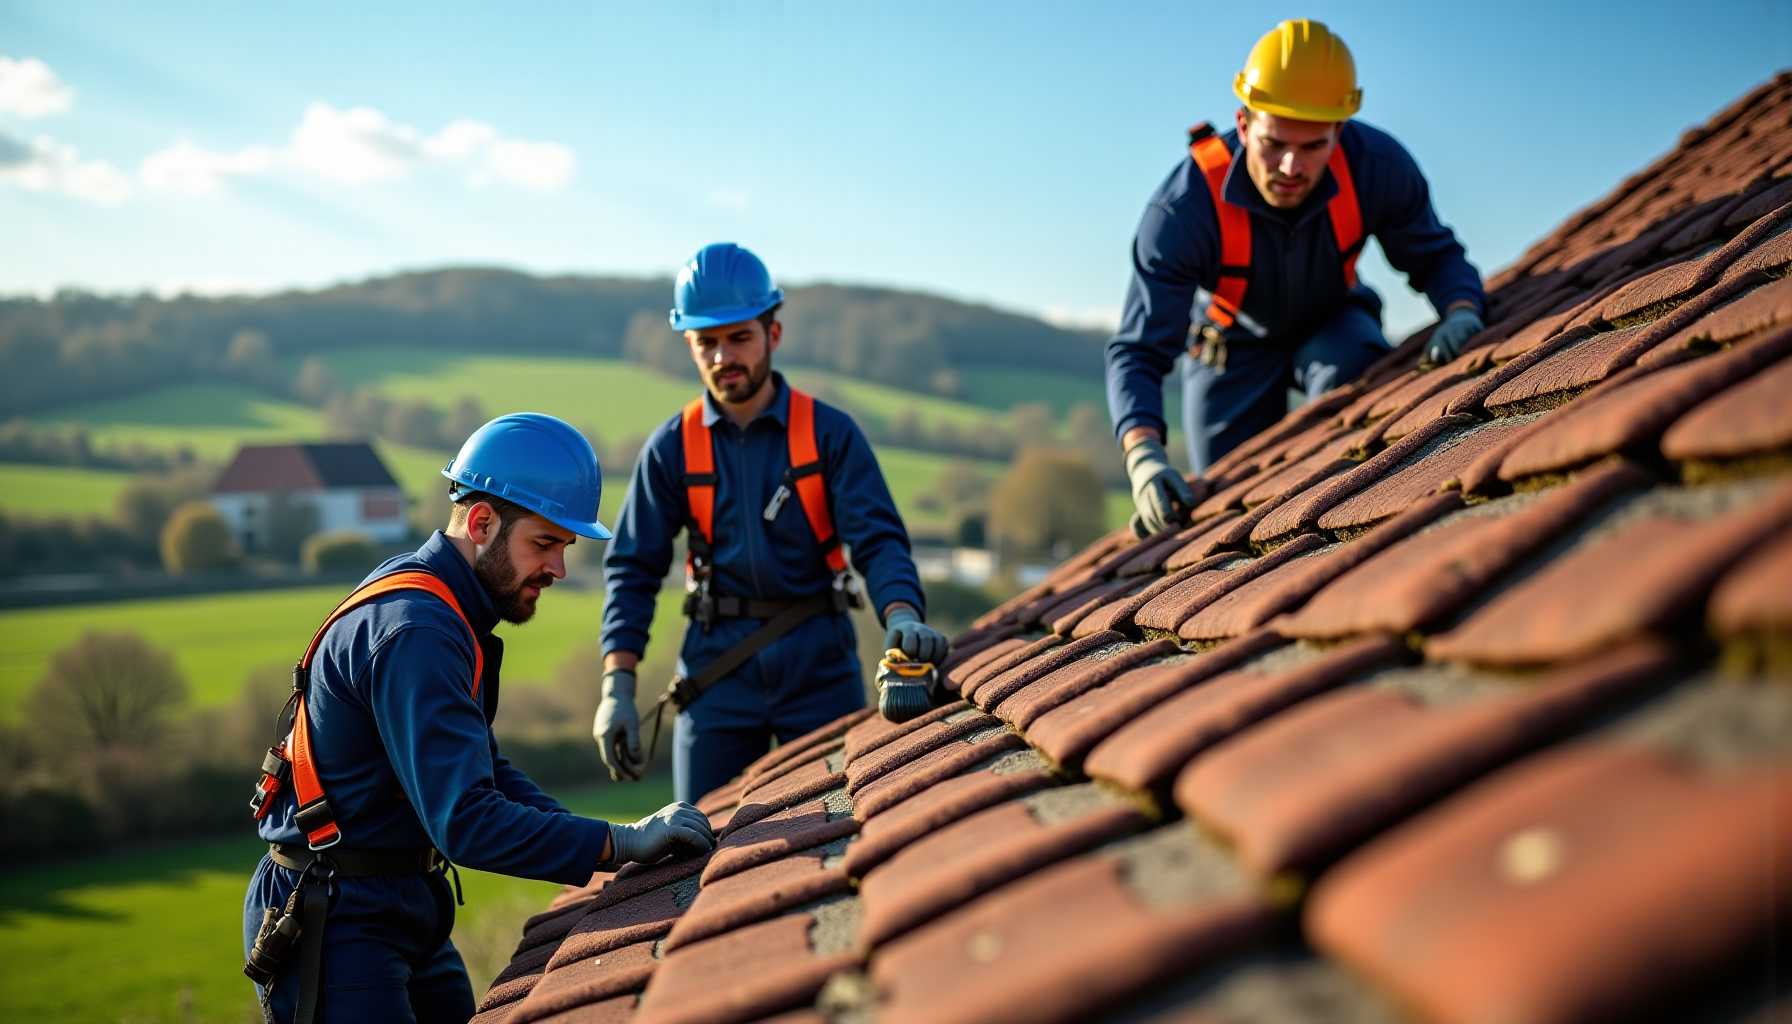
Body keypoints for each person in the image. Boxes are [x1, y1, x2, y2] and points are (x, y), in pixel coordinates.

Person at [242, 413, 714, 1024]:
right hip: (337, 919)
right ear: (482, 522)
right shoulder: (419, 630)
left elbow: (486, 767)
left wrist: (608, 837)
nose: (558, 569)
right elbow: (464, 820)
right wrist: (616, 844)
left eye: (564, 548)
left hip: (403, 902)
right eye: (544, 544)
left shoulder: (444, 607)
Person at [595, 243, 949, 804]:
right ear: (689, 345)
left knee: (843, 819)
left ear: (773, 335)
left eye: (738, 337)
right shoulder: (671, 449)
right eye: (706, 342)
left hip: (820, 670)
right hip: (717, 675)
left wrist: (901, 613)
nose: (722, 357)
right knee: (702, 847)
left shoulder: (829, 434)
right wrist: (618, 683)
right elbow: (632, 569)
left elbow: (878, 541)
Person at [1107, 19, 1487, 533]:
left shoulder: (1377, 167)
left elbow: (1435, 256)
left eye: (1313, 147)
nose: (1291, 166)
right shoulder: (1183, 210)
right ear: (1243, 125)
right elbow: (1138, 349)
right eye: (1273, 142)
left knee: (1354, 396)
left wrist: (1462, 310)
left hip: (1335, 321)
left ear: (1340, 131)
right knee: (1230, 499)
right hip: (1230, 344)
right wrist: (1143, 457)